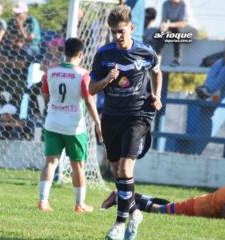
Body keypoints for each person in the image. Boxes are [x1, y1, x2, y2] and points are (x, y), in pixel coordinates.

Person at [88, 5, 163, 240]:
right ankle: (134, 212)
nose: (118, 36)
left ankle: (119, 225)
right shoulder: (104, 54)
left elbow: (157, 71)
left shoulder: (145, 51)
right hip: (112, 116)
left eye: (121, 31)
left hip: (139, 115)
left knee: (126, 168)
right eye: (113, 32)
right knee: (117, 171)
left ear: (131, 28)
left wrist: (156, 95)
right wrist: (106, 80)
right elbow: (91, 89)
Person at [38, 38, 102, 214]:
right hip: (74, 126)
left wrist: (53, 108)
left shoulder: (50, 72)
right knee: (78, 166)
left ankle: (43, 201)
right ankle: (80, 204)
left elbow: (45, 94)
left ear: (64, 52)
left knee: (50, 162)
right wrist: (98, 123)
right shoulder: (83, 74)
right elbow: (89, 100)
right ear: (81, 54)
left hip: (52, 122)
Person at [101, 180, 225, 223]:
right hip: (198, 208)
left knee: (165, 205)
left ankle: (130, 196)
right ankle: (120, 196)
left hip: (200, 205)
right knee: (158, 210)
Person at [156, 0, 198, 66]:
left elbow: (183, 24)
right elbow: (164, 22)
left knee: (177, 31)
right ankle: (157, 58)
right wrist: (162, 28)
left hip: (190, 32)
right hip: (175, 29)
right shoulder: (166, 4)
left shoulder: (184, 4)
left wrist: (168, 25)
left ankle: (177, 59)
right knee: (159, 33)